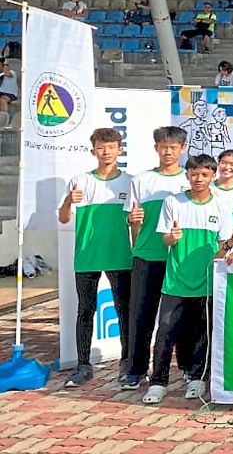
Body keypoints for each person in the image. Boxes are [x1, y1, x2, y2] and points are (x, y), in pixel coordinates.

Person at [142, 154, 233, 404]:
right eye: (194, 174)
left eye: (204, 174)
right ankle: (158, 382)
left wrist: (228, 247)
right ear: (187, 175)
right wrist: (171, 237)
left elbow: (223, 247)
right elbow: (165, 239)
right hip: (175, 283)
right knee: (165, 332)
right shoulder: (173, 202)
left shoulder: (221, 206)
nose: (199, 179)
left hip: (206, 283)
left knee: (202, 334)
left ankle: (197, 378)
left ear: (213, 176)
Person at [57, 128, 134, 388]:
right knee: (85, 311)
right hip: (87, 256)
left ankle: (127, 363)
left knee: (124, 311)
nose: (106, 152)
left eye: (111, 147)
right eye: (101, 147)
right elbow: (63, 218)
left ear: (120, 150)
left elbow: (135, 221)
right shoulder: (79, 181)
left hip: (120, 256)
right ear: (93, 151)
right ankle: (83, 365)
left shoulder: (130, 182)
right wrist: (69, 201)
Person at [121, 126, 190, 391]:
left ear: (183, 149)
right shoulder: (141, 180)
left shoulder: (191, 179)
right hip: (147, 255)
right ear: (156, 148)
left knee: (180, 318)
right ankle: (136, 370)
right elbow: (133, 223)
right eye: (163, 146)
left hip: (180, 259)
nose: (168, 151)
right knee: (141, 316)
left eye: (173, 146)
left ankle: (186, 368)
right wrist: (133, 221)